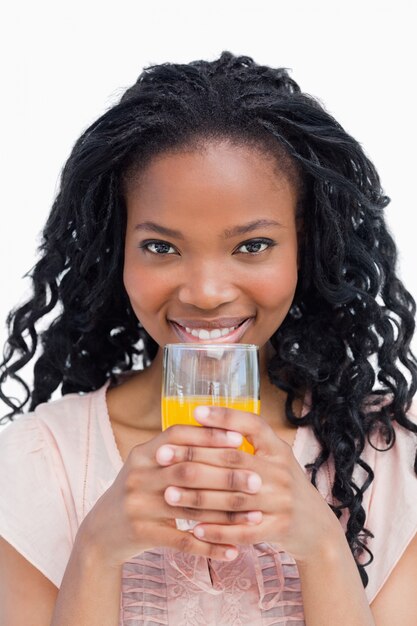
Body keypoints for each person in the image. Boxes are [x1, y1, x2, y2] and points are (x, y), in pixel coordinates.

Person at [0, 51, 416, 626]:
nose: (206, 292)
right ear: (115, 250)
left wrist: (323, 547)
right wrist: (96, 551)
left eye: (252, 245)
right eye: (162, 247)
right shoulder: (37, 465)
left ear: (306, 247)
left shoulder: (390, 458)